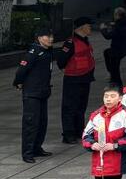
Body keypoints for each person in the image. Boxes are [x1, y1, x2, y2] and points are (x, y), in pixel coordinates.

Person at [14, 25, 55, 163]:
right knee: (31, 123)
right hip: (32, 93)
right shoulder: (33, 52)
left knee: (42, 122)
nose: (51, 39)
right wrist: (18, 82)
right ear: (39, 38)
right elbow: (21, 70)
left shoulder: (47, 51)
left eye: (51, 36)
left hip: (43, 92)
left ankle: (37, 148)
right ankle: (27, 153)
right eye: (47, 36)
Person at [58, 16, 97, 144]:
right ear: (82, 27)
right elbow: (61, 61)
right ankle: (68, 134)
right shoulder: (70, 42)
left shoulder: (86, 40)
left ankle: (79, 130)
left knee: (81, 106)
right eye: (89, 25)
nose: (91, 28)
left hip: (85, 78)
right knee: (70, 106)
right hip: (73, 79)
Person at [102, 8, 126, 85]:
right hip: (124, 48)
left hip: (116, 49)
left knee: (115, 67)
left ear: (117, 15)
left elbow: (108, 36)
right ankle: (113, 77)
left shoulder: (119, 25)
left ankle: (117, 83)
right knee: (107, 53)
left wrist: (103, 29)